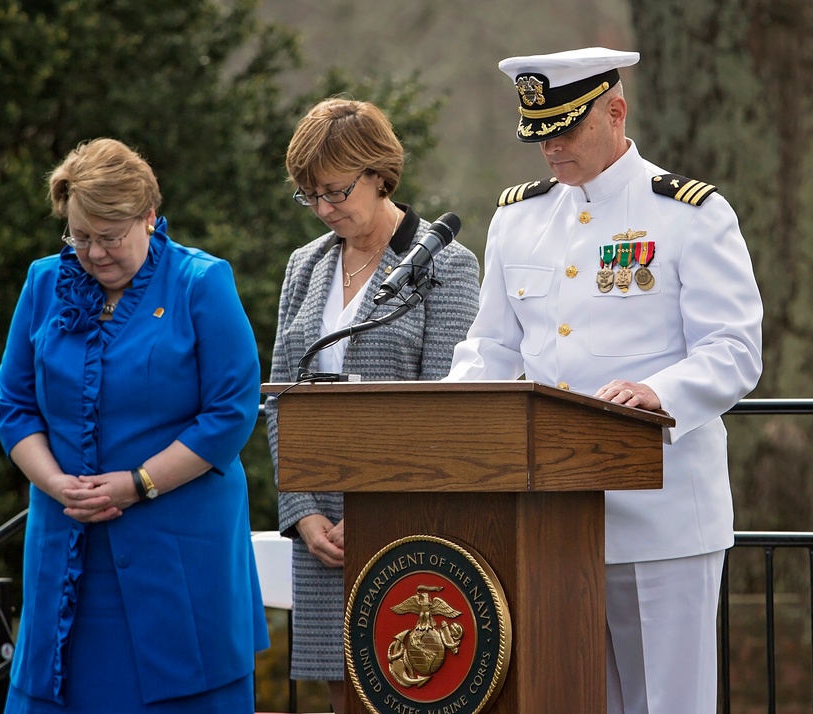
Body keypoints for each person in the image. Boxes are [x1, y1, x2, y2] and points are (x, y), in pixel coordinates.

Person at [446, 48, 763, 713]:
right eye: (539, 134)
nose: (550, 149)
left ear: (616, 112)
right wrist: (457, 408)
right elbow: (493, 344)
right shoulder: (517, 218)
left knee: (668, 703)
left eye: (565, 129)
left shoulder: (689, 214)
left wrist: (661, 393)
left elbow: (733, 351)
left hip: (663, 516)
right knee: (571, 696)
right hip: (552, 516)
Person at [0, 138, 268, 712]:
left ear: (148, 217)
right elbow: (13, 404)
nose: (93, 253)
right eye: (79, 236)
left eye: (109, 236)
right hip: (66, 544)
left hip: (179, 564)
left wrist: (139, 482)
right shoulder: (44, 283)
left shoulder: (202, 283)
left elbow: (231, 412)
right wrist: (55, 482)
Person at [266, 98, 480, 713]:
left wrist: (380, 508)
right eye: (309, 196)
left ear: (379, 174)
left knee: (416, 689)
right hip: (322, 530)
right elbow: (281, 396)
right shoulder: (305, 266)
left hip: (407, 520)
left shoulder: (447, 265)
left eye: (334, 192)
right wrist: (302, 510)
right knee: (344, 690)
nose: (324, 209)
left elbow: (447, 409)